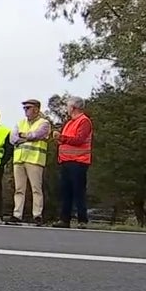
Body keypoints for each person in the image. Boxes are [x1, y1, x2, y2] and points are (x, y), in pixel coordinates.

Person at [53, 96, 92, 228]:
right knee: (66, 191)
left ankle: (82, 220)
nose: (67, 109)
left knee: (78, 191)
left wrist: (62, 138)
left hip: (79, 161)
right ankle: (65, 219)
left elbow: (79, 140)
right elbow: (66, 140)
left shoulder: (84, 121)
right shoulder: (70, 122)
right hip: (66, 161)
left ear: (73, 107)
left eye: (68, 106)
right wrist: (59, 140)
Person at [10, 98, 50, 225]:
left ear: (36, 109)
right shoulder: (20, 122)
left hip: (34, 159)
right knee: (19, 189)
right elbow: (13, 138)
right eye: (24, 108)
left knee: (36, 189)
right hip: (19, 159)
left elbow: (37, 135)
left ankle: (37, 215)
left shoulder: (44, 123)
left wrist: (24, 136)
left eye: (28, 108)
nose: (25, 110)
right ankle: (17, 215)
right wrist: (26, 136)